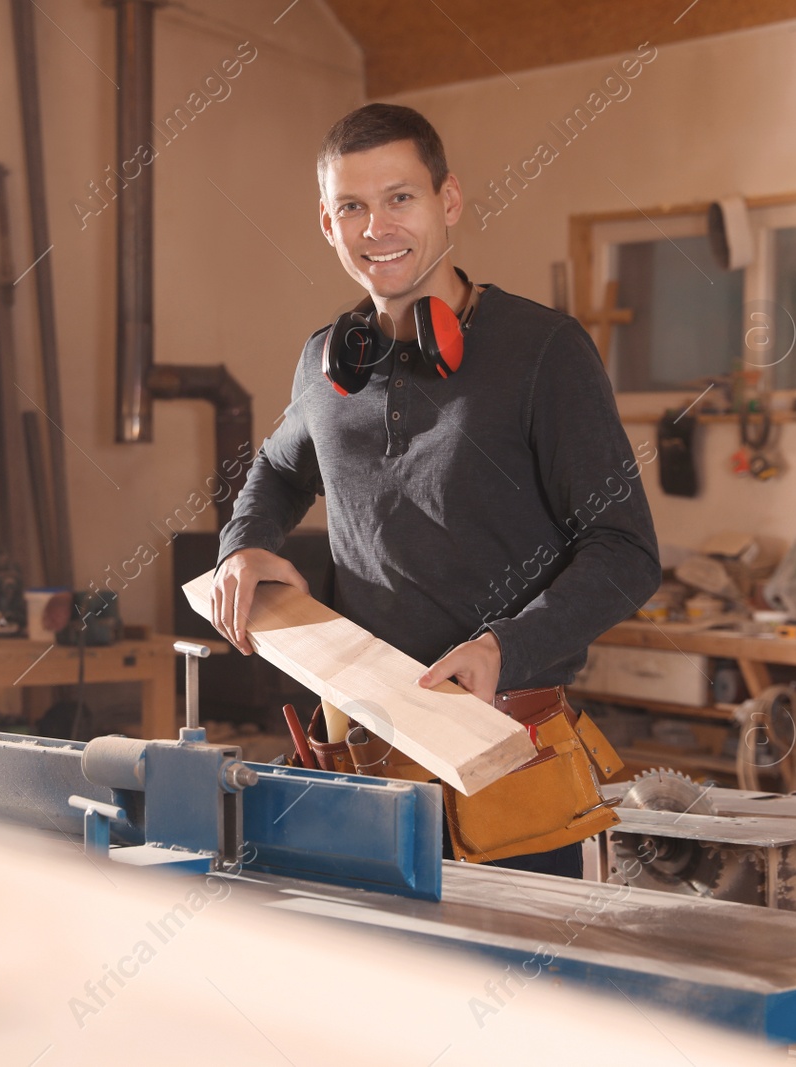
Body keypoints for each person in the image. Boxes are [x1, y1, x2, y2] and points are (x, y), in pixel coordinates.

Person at [207, 103, 661, 878]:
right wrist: (243, 545)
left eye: (400, 198)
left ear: (448, 201)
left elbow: (626, 551)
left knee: (515, 994)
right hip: (359, 756)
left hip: (503, 762)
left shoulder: (543, 351)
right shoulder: (327, 362)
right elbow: (281, 469)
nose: (376, 226)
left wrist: (503, 646)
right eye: (352, 206)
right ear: (328, 223)